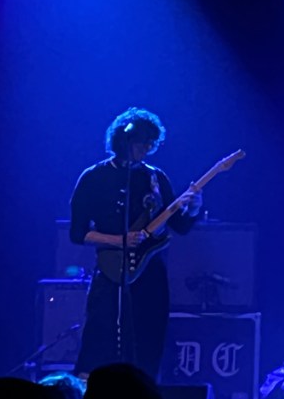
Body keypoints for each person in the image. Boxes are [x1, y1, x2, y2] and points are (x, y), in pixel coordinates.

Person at [70, 107, 203, 379]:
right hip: (110, 270)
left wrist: (193, 209)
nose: (146, 149)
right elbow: (78, 233)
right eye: (142, 143)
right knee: (100, 333)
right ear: (124, 140)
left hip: (150, 270)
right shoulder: (93, 177)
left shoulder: (155, 177)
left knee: (148, 336)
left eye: (151, 144)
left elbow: (179, 226)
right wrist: (119, 240)